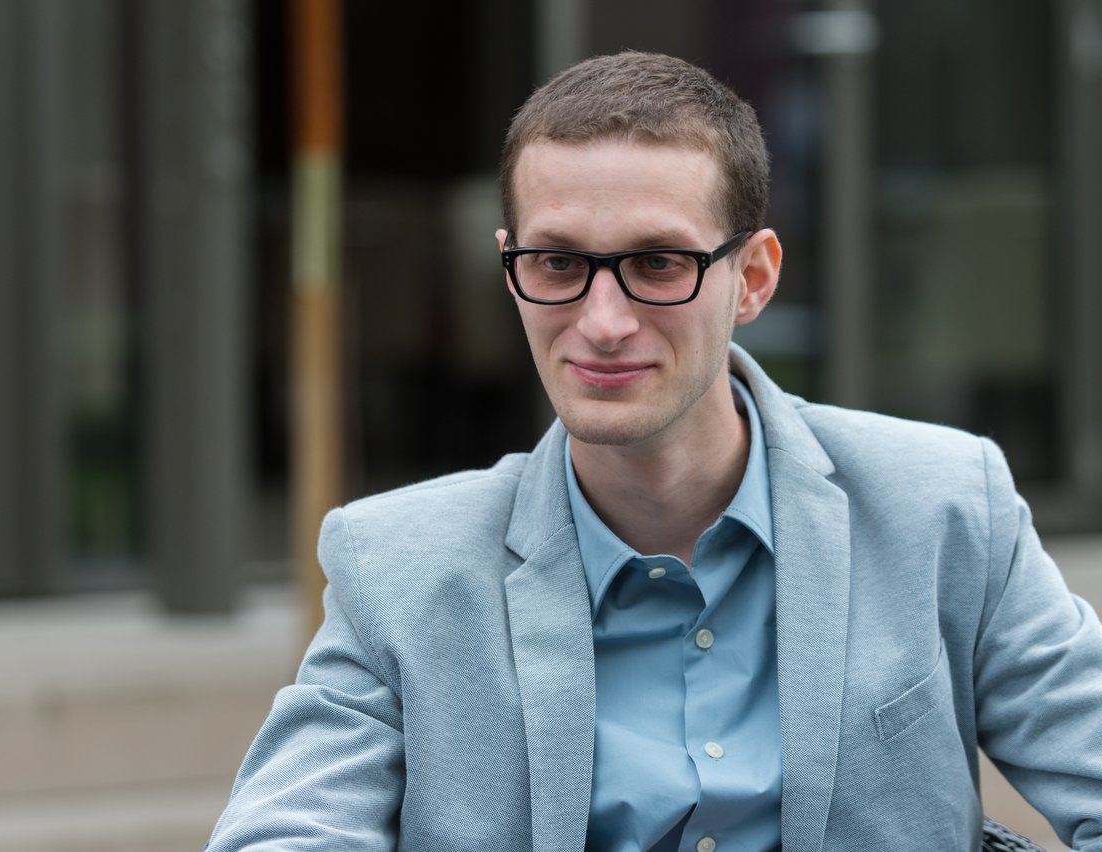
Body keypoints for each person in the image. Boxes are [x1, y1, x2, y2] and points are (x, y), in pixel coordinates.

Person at [207, 51, 1102, 851]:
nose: (601, 323)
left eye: (659, 265)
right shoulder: (398, 567)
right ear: (509, 266)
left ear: (752, 277)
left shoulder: (944, 506)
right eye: (557, 264)